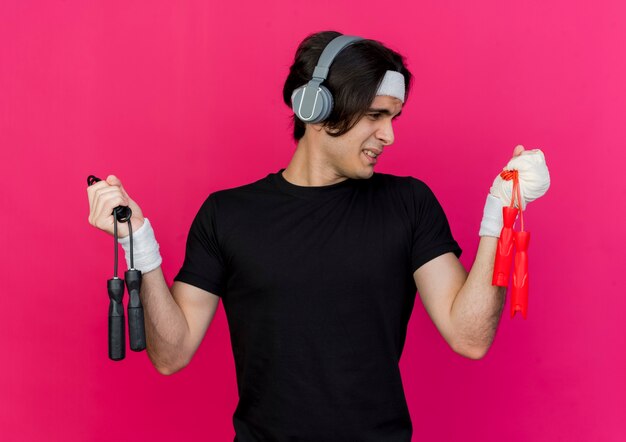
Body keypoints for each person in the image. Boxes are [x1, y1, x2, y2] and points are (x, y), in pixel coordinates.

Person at [87, 31, 550, 441]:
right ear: (314, 107)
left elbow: (469, 337)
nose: (388, 135)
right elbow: (171, 353)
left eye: (394, 117)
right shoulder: (227, 214)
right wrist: (139, 246)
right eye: (374, 115)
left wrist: (501, 214)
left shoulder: (408, 204)